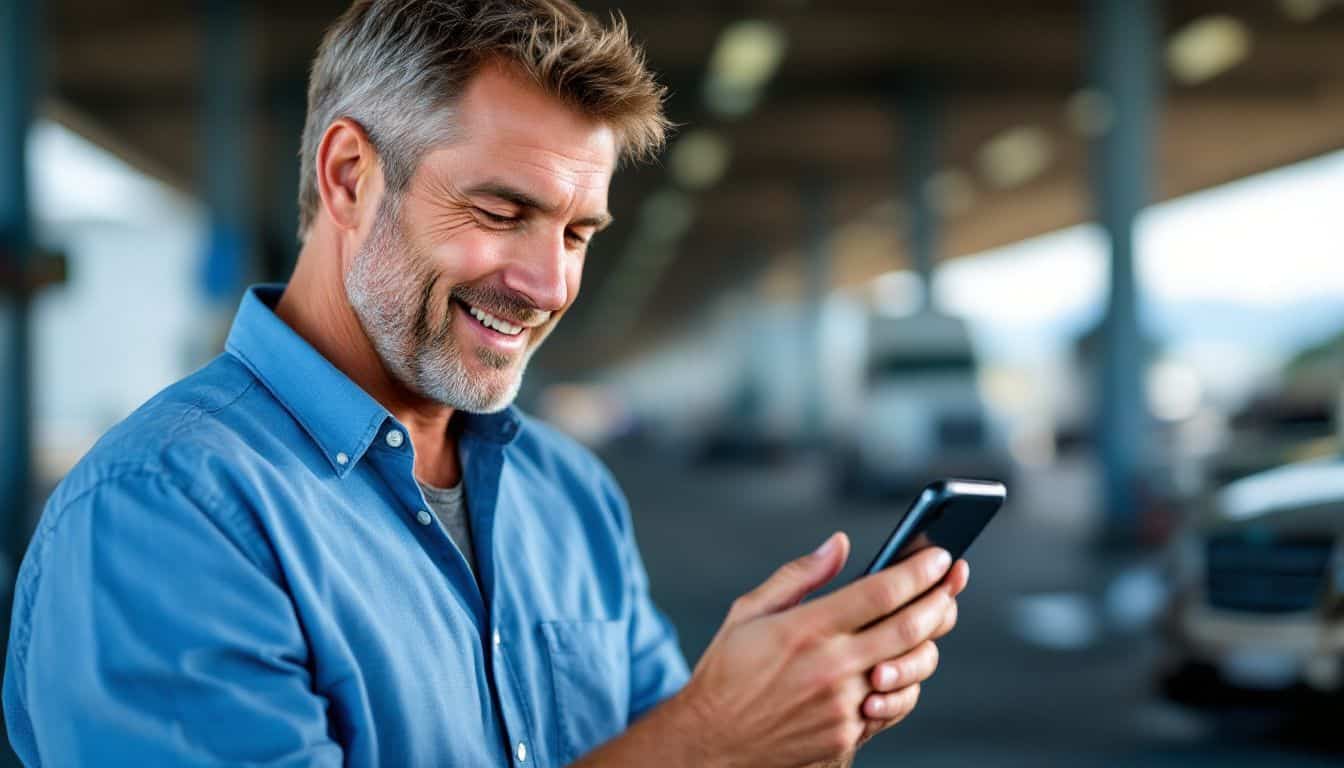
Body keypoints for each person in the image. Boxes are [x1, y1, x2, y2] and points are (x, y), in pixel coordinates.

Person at [2, 1, 969, 766]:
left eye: (578, 233)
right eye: (503, 210)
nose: (549, 284)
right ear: (349, 176)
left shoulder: (569, 493)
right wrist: (707, 741)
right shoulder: (165, 513)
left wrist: (780, 732)